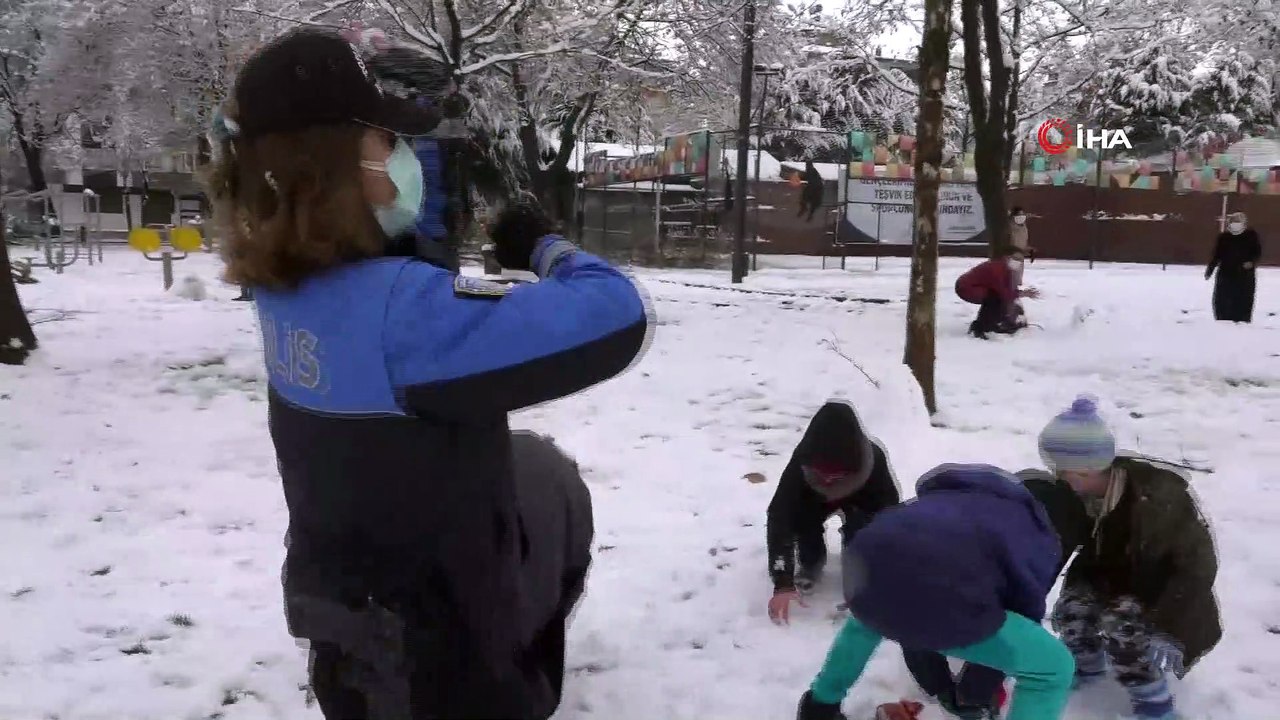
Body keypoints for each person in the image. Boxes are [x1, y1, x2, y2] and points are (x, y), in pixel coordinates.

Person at [204, 28, 650, 719]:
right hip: (451, 666)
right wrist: (544, 246)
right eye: (388, 141)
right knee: (557, 487)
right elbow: (616, 314)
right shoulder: (405, 319)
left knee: (531, 465)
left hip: (347, 633)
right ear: (340, 165)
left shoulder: (281, 291)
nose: (405, 156)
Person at [794, 464, 1079, 720]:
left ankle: (819, 706)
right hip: (940, 597)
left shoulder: (951, 497)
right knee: (1052, 669)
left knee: (868, 618)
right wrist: (982, 684)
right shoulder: (1034, 529)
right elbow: (1023, 608)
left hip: (867, 565)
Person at [1028, 395, 1222, 720]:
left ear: (1090, 467)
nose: (1059, 479)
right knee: (1072, 612)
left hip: (1162, 592)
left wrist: (1169, 624)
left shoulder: (1160, 498)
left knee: (1125, 630)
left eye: (1064, 471)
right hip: (1107, 578)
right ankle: (1087, 669)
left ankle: (1155, 705)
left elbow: (1197, 567)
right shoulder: (1083, 495)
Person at [766, 401, 900, 625]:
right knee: (803, 521)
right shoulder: (802, 462)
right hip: (813, 501)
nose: (827, 481)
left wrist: (881, 572)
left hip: (860, 500)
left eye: (835, 475)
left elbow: (889, 519)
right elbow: (780, 516)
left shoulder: (873, 461)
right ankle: (811, 563)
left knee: (864, 530)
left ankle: (856, 568)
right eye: (821, 473)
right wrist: (782, 581)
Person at [954, 249, 1039, 339]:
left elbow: (1008, 289)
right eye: (1014, 258)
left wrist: (1019, 294)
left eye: (1019, 260)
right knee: (995, 298)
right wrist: (1022, 294)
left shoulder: (1005, 269)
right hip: (966, 288)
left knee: (995, 297)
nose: (1017, 262)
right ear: (1006, 257)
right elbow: (1004, 292)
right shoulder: (997, 269)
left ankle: (992, 323)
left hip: (977, 287)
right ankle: (983, 328)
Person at [1206, 211, 1261, 322]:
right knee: (1222, 299)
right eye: (1233, 222)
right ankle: (1223, 320)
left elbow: (1257, 252)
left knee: (1243, 299)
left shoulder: (1251, 236)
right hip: (1226, 274)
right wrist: (1210, 269)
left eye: (1238, 222)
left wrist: (1251, 262)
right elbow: (1217, 255)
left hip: (1245, 275)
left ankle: (1242, 321)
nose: (1235, 224)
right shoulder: (1224, 237)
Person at [1008, 207, 1031, 286]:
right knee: (1012, 282)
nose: (1021, 216)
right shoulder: (1010, 228)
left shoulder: (1024, 227)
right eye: (1019, 214)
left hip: (1020, 258)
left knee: (1017, 282)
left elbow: (1023, 241)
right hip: (1012, 257)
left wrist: (1028, 250)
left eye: (1022, 214)